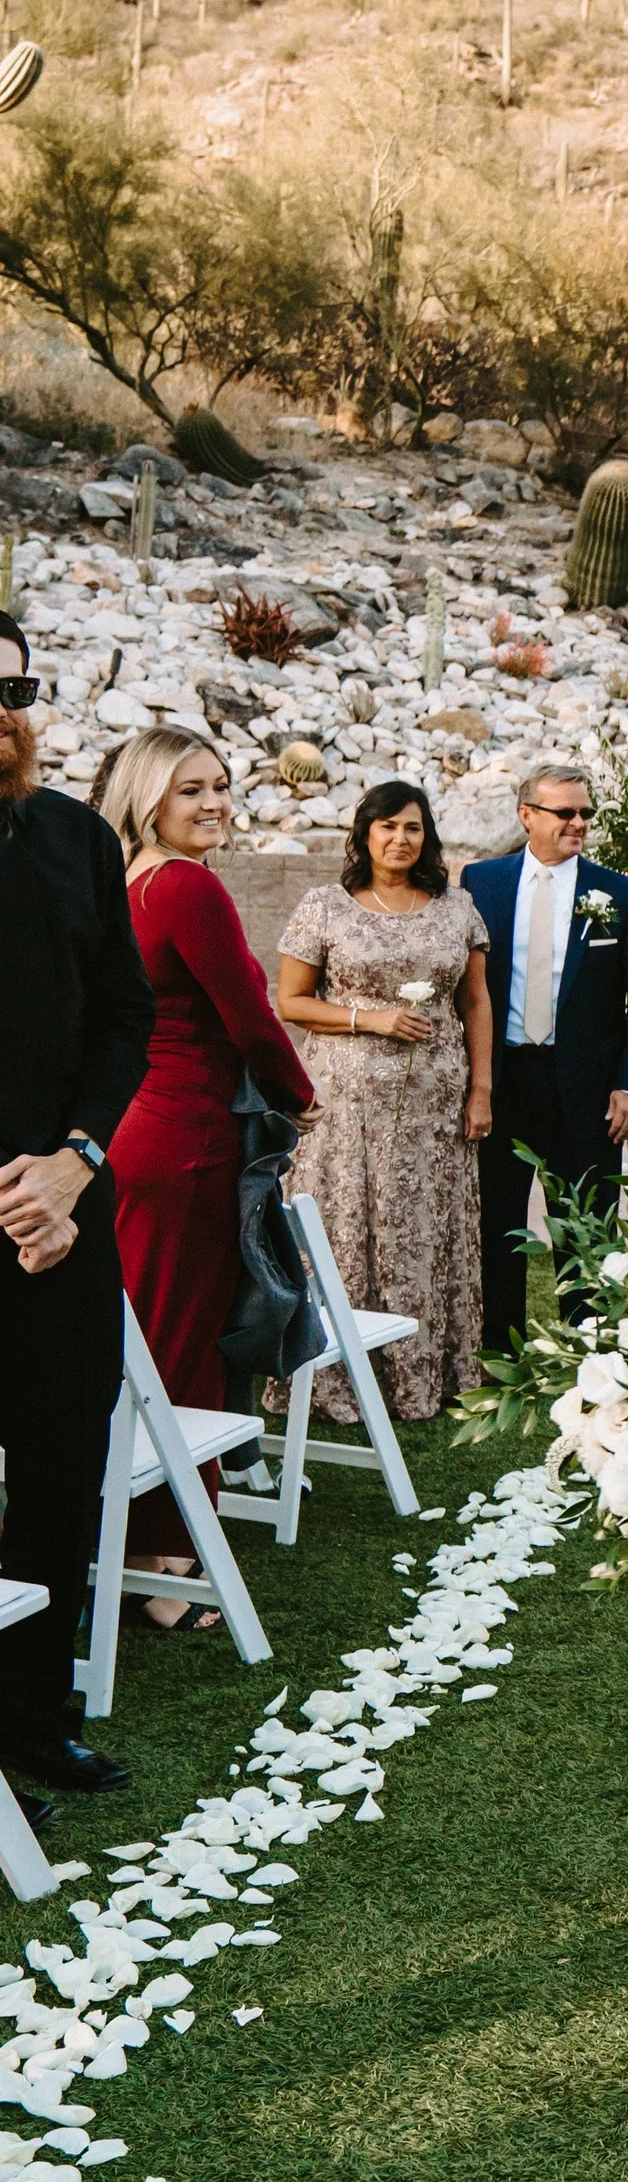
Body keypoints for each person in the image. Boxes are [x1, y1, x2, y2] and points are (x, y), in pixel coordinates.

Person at [91, 722, 318, 1628]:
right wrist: (298, 1095)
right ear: (148, 796)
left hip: (124, 1132)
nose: (216, 802)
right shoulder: (187, 889)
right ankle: (161, 1559)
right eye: (192, 789)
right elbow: (251, 1018)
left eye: (222, 785)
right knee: (177, 1343)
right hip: (185, 1138)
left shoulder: (121, 884)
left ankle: (100, 1528)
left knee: (129, 1339)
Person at [0, 613, 156, 1809]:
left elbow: (124, 1022)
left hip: (64, 1219)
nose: (4, 714)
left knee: (62, 1468)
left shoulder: (75, 840)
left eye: (17, 689)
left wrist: (72, 1166)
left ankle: (31, 1718)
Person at [277, 781, 494, 1420]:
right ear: (365, 834)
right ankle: (334, 1380)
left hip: (434, 1107)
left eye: (413, 828)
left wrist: (480, 1089)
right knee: (345, 1225)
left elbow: (475, 1002)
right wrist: (368, 1020)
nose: (401, 839)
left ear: (427, 837)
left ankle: (425, 1375)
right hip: (344, 1106)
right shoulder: (325, 907)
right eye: (387, 827)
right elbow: (290, 1002)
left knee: (425, 1228)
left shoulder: (457, 908)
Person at [464, 761, 628, 1360]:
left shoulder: (621, 895)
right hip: (502, 1078)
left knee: (585, 1222)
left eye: (585, 813)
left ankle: (588, 1352)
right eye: (565, 813)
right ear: (527, 816)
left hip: (587, 1084)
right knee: (497, 1217)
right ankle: (497, 1350)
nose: (578, 823)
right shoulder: (481, 882)